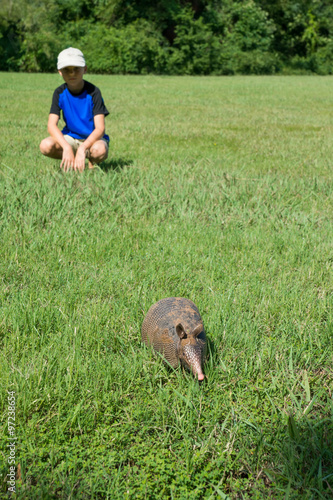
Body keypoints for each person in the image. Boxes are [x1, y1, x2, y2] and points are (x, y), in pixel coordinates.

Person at [40, 47, 109, 172]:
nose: (72, 74)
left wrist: (83, 149)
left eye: (76, 69)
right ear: (60, 72)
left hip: (93, 140)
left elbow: (100, 129)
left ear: (85, 69)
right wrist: (66, 147)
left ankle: (91, 161)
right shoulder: (59, 93)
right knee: (45, 145)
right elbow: (51, 125)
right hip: (71, 138)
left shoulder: (94, 92)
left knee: (100, 150)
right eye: (67, 70)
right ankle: (71, 158)